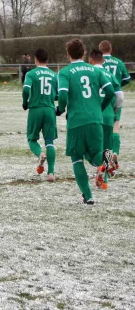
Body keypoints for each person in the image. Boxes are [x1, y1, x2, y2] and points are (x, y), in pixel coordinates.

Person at [56, 39, 115, 205]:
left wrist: (60, 109)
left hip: (77, 121)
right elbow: (110, 92)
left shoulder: (65, 72)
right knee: (96, 155)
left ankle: (88, 196)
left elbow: (61, 95)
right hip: (96, 119)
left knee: (76, 158)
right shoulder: (95, 71)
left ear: (68, 54)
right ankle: (106, 157)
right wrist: (100, 108)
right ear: (84, 53)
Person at [89, 49, 124, 189]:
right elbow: (120, 96)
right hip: (108, 115)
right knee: (107, 148)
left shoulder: (88, 73)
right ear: (103, 61)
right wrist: (113, 109)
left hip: (93, 115)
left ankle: (100, 167)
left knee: (92, 149)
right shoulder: (109, 74)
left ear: (90, 60)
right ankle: (104, 181)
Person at [22, 49, 58, 182]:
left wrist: (25, 102)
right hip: (49, 109)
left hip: (36, 109)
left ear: (36, 59)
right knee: (50, 141)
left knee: (32, 139)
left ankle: (40, 154)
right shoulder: (54, 75)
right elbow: (59, 94)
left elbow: (26, 89)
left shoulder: (31, 74)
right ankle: (51, 173)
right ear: (47, 60)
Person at [100, 40, 130, 170]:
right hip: (116, 96)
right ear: (111, 50)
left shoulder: (98, 63)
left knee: (103, 129)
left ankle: (104, 158)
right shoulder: (118, 62)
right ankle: (115, 153)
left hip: (102, 97)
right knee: (115, 126)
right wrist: (117, 86)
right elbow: (127, 79)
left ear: (99, 51)